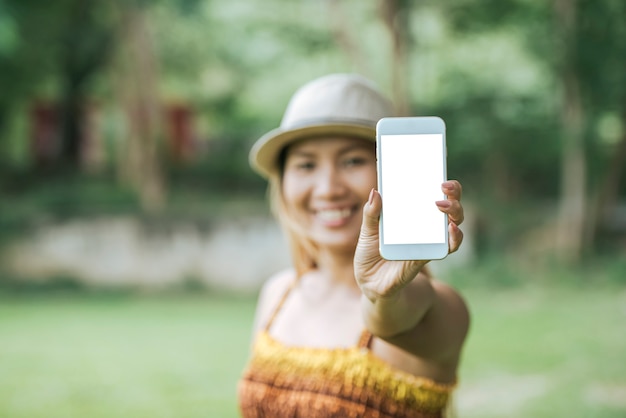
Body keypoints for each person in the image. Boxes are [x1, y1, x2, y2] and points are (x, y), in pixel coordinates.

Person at [238, 73, 469, 418]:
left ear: (396, 172)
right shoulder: (278, 294)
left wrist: (381, 294)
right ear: (283, 182)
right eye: (305, 164)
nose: (328, 188)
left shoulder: (434, 306)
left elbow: (389, 317)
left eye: (353, 161)